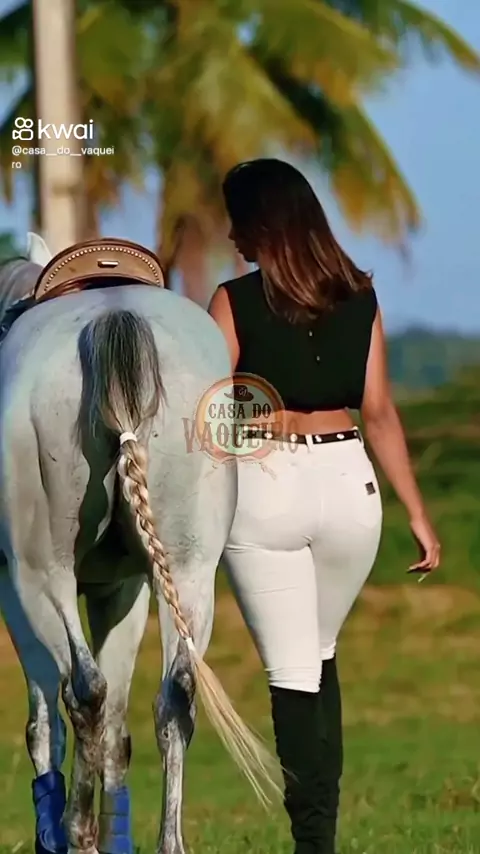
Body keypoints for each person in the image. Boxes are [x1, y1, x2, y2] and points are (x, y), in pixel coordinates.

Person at [207, 158, 441, 854]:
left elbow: (210, 412)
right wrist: (417, 513)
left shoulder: (232, 300)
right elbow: (380, 412)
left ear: (261, 225)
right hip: (351, 491)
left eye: (237, 221)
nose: (230, 235)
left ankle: (315, 845)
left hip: (267, 489)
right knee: (318, 656)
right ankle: (322, 838)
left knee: (293, 676)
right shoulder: (361, 297)